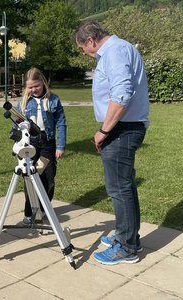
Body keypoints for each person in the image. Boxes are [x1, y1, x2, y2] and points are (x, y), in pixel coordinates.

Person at [74, 21, 150, 265]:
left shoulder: (115, 51)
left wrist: (104, 130)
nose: (84, 53)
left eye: (82, 48)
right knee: (123, 186)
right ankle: (127, 237)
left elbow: (122, 93)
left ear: (91, 41)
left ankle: (127, 248)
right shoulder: (118, 49)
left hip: (121, 128)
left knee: (119, 188)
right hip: (123, 127)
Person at [15, 67, 67, 225]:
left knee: (48, 177)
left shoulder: (54, 100)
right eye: (30, 87)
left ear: (43, 83)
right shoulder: (23, 102)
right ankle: (29, 212)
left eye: (36, 86)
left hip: (48, 143)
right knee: (29, 177)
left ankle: (45, 209)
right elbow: (17, 122)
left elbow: (61, 123)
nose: (33, 89)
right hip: (30, 143)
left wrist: (61, 145)